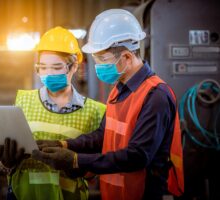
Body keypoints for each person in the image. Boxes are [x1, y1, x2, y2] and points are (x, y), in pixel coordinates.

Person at [32, 9, 184, 200]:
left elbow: (137, 156)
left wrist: (77, 160)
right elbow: (103, 135)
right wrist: (64, 144)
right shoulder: (119, 89)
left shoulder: (156, 96)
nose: (98, 67)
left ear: (127, 57)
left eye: (103, 59)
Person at [0, 26, 106, 200]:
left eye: (56, 67)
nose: (48, 74)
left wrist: (77, 166)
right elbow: (10, 159)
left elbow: (96, 169)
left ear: (74, 66)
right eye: (42, 68)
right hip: (23, 195)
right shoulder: (23, 101)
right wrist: (7, 162)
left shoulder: (95, 112)